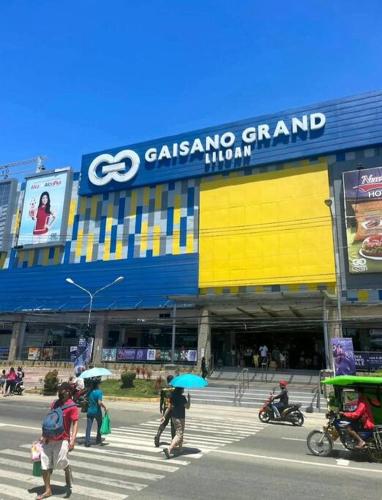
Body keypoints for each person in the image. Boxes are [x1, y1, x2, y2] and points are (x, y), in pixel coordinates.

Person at [38, 382, 79, 499]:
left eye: (62, 390)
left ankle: (67, 468)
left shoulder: (72, 406)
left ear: (68, 392)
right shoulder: (55, 403)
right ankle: (48, 490)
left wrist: (72, 440)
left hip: (63, 438)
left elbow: (75, 423)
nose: (59, 392)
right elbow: (49, 419)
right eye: (59, 390)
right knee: (44, 464)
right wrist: (43, 435)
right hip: (49, 438)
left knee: (60, 462)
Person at [162, 387, 191, 459]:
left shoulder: (173, 397)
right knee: (179, 434)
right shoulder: (182, 398)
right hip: (181, 418)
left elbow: (169, 408)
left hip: (174, 417)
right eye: (183, 389)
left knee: (180, 432)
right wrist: (189, 399)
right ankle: (169, 450)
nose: (184, 390)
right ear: (181, 390)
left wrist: (164, 416)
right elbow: (187, 407)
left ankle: (180, 449)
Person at [85, 377, 107, 447]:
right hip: (97, 411)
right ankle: (98, 439)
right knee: (99, 425)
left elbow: (86, 398)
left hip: (90, 411)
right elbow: (99, 402)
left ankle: (87, 442)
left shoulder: (89, 391)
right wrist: (105, 407)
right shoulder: (99, 392)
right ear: (97, 385)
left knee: (88, 427)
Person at [154, 375, 175, 447]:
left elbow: (161, 399)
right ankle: (173, 441)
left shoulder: (164, 389)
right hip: (173, 408)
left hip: (166, 408)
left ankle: (158, 435)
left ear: (167, 380)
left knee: (164, 423)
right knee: (173, 425)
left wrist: (160, 407)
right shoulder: (174, 389)